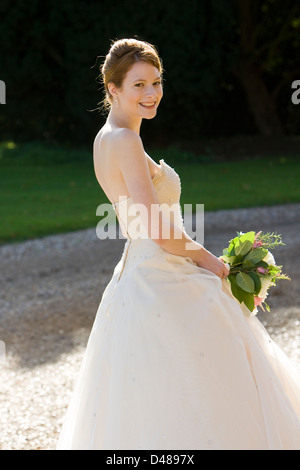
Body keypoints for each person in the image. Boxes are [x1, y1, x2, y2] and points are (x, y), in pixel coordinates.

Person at [57, 38, 300, 450]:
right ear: (113, 88)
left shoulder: (108, 137)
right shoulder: (124, 140)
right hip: (159, 272)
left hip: (140, 270)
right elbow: (155, 225)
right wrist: (213, 263)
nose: (151, 93)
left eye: (156, 82)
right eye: (139, 85)